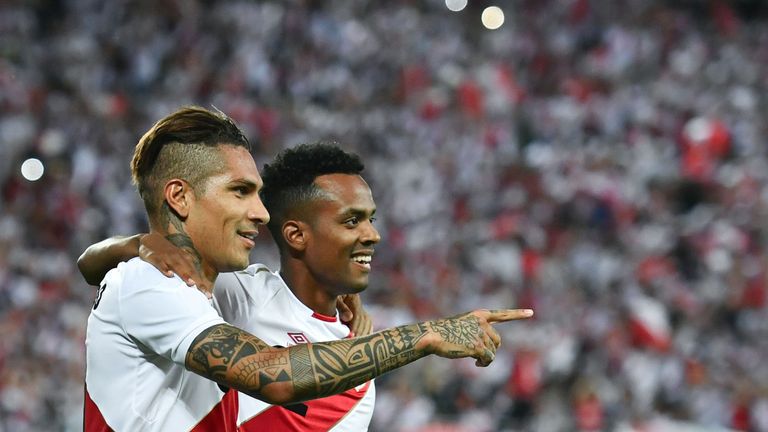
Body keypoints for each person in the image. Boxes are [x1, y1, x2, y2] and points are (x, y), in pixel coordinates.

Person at [81, 105, 533, 431]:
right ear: (179, 196)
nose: (261, 212)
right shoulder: (149, 279)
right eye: (240, 191)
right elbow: (271, 375)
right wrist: (424, 336)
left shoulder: (217, 291)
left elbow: (93, 267)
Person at [81, 142, 380, 430]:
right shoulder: (240, 292)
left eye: (371, 219)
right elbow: (93, 267)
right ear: (296, 235)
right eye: (352, 221)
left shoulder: (360, 381)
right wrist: (135, 244)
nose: (373, 235)